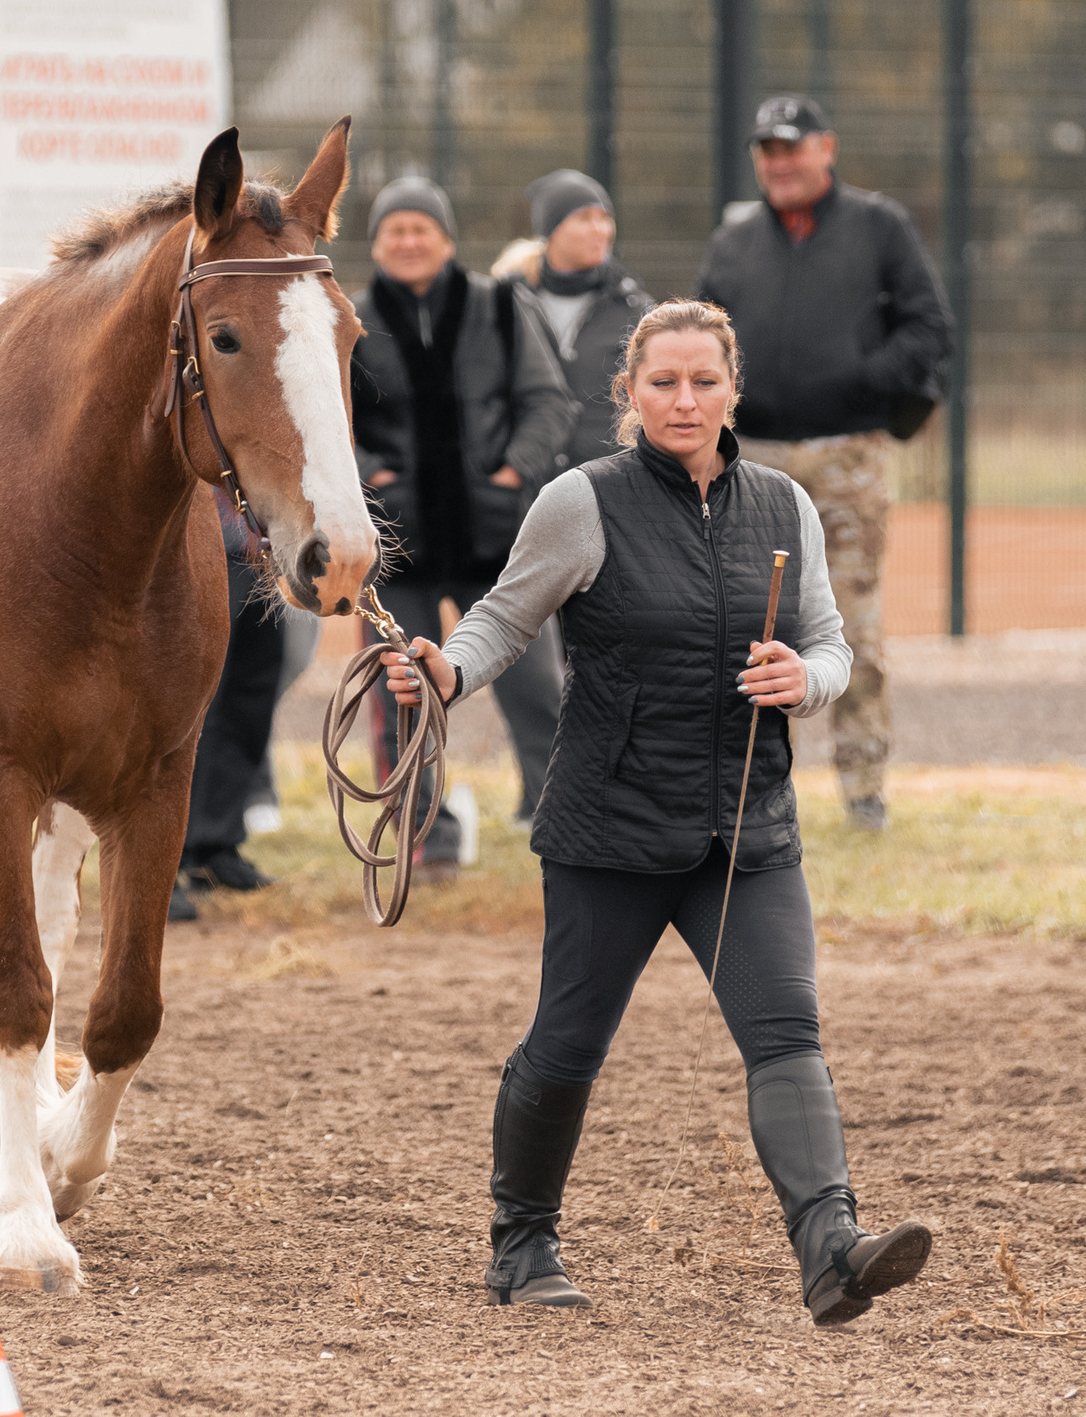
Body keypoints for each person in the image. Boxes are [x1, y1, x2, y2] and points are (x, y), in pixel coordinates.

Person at [379, 299, 933, 1326]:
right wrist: (444, 671)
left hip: (746, 828)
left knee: (787, 1033)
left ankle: (831, 1251)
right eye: (664, 382)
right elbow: (504, 616)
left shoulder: (786, 505)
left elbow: (830, 642)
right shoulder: (580, 501)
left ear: (733, 389)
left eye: (703, 381)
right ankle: (521, 1244)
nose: (685, 399)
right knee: (567, 1041)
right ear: (629, 391)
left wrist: (804, 678)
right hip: (611, 828)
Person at [695, 94, 954, 832]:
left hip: (847, 456)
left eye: (793, 147)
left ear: (826, 149)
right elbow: (700, 337)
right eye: (768, 151)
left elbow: (930, 329)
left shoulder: (880, 227)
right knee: (738, 625)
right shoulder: (735, 240)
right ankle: (740, 788)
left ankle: (864, 785)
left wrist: (860, 379)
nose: (780, 163)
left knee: (852, 624)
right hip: (751, 460)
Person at [350, 177, 577, 863]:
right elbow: (330, 419)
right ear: (376, 244)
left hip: (496, 542)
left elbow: (547, 401)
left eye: (421, 228)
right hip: (397, 545)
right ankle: (425, 838)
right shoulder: (350, 319)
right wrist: (372, 476)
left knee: (539, 691)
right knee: (402, 695)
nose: (409, 241)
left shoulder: (500, 306)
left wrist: (512, 474)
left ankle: (564, 820)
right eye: (395, 230)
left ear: (447, 240)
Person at [496, 170, 654, 472]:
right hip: (527, 483)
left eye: (605, 218)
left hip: (608, 481)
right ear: (550, 230)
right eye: (584, 218)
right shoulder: (507, 303)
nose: (600, 229)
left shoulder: (635, 308)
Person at [172, 501, 283, 923]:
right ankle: (162, 863)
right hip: (195, 545)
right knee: (192, 710)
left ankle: (214, 845)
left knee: (248, 702)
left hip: (258, 548)